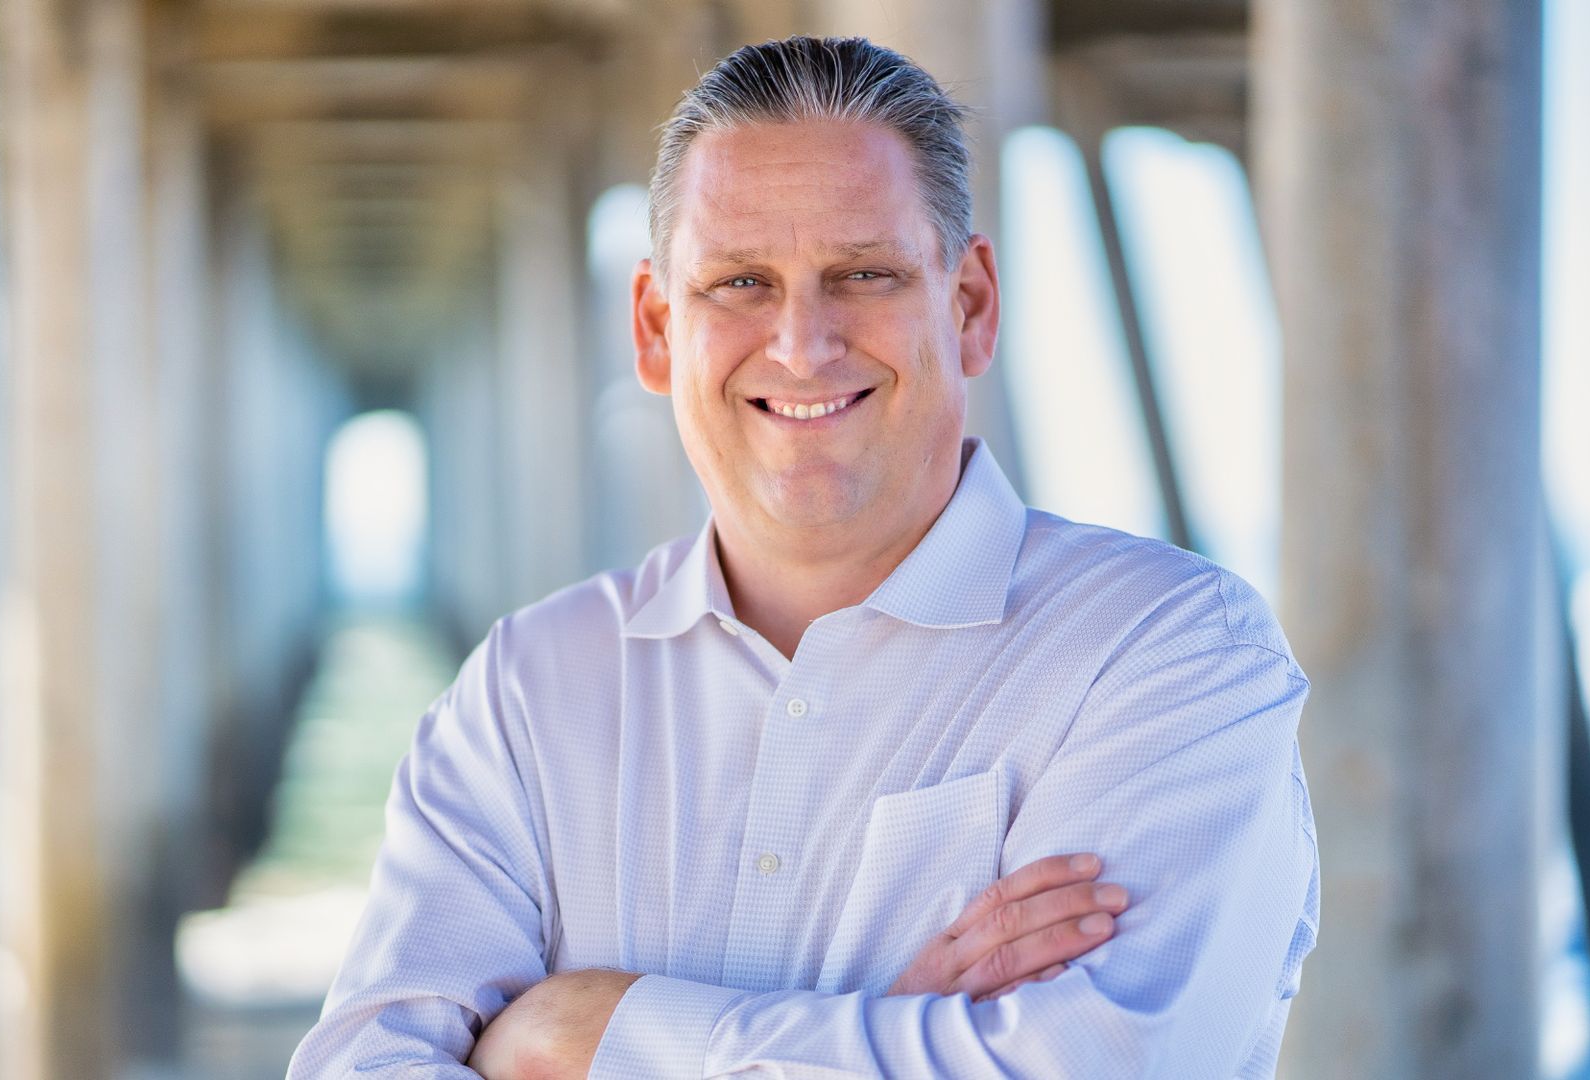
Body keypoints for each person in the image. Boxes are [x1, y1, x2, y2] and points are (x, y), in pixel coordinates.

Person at [287, 34, 1317, 1079]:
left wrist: (590, 1036)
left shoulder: (1166, 656)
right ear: (653, 327)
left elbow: (1112, 1064)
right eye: (739, 283)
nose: (800, 344)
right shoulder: (524, 692)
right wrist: (896, 1030)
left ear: (969, 306)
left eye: (861, 273)